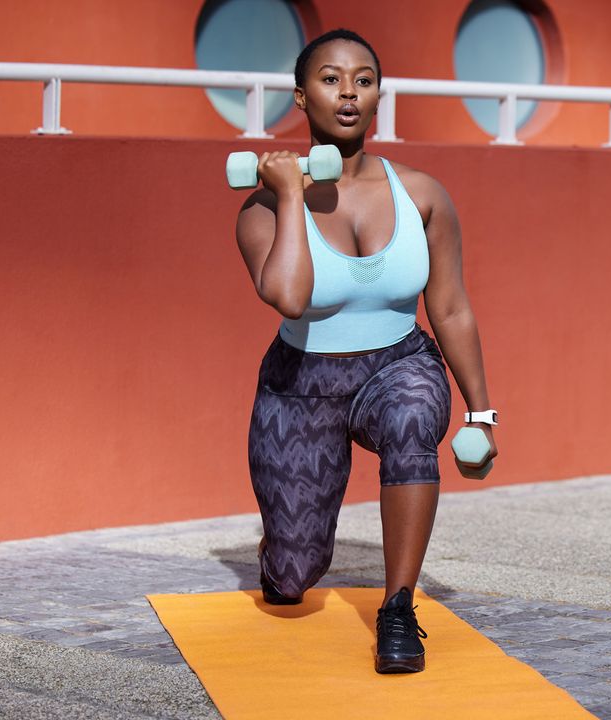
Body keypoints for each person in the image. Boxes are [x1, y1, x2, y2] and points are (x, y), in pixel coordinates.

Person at [234, 28, 498, 674]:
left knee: (412, 416)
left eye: (363, 79)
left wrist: (482, 414)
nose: (348, 93)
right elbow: (289, 297)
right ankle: (284, 548)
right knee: (292, 576)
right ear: (300, 97)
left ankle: (399, 607)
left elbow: (452, 307)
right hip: (301, 384)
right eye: (330, 79)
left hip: (397, 363)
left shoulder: (423, 195)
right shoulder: (262, 207)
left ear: (379, 94)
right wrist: (294, 194)